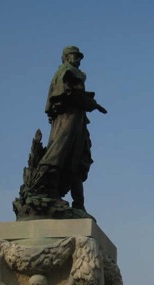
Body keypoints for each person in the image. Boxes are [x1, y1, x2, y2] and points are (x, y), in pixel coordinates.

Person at [40, 46, 107, 212]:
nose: (78, 59)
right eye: (74, 56)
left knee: (78, 159)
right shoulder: (66, 72)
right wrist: (91, 103)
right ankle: (52, 193)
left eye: (79, 57)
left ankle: (78, 203)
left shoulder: (70, 73)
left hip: (77, 120)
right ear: (66, 57)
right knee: (59, 153)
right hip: (67, 120)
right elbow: (67, 96)